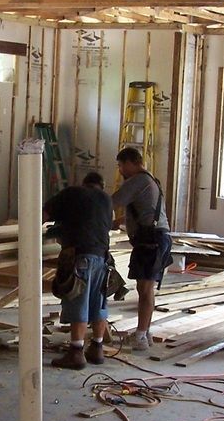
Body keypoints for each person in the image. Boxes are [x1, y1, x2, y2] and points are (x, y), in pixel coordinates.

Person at [43, 172, 114, 369]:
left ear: (84, 184)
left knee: (78, 302)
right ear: (101, 185)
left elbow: (43, 214)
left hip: (81, 255)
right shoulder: (107, 200)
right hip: (102, 258)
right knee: (98, 304)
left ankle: (76, 353)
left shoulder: (73, 192)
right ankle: (97, 348)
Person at [112, 147, 172, 352]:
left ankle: (140, 337)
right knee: (146, 289)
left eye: (121, 165)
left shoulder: (137, 181)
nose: (120, 170)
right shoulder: (151, 180)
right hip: (158, 237)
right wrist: (120, 222)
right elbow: (144, 211)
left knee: (145, 289)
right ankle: (144, 332)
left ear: (131, 163)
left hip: (150, 241)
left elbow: (113, 201)